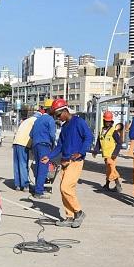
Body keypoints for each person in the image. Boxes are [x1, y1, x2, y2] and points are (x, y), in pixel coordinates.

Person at [41, 98, 93, 228]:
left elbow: (88, 137)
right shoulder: (64, 127)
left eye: (58, 115)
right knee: (64, 189)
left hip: (75, 161)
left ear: (65, 110)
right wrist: (50, 156)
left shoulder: (79, 122)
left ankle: (79, 212)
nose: (58, 118)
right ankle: (69, 216)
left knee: (66, 187)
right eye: (55, 116)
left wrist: (81, 152)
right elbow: (60, 146)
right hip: (64, 161)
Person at [29, 99, 56, 199]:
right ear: (51, 110)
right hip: (44, 146)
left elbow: (31, 134)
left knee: (38, 167)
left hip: (35, 145)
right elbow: (52, 135)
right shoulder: (50, 120)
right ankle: (39, 192)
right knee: (43, 168)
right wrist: (54, 147)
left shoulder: (37, 120)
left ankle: (38, 188)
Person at [93, 111, 122, 192]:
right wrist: (95, 150)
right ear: (104, 121)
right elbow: (99, 142)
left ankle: (118, 185)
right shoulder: (102, 130)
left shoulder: (113, 131)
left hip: (111, 155)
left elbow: (119, 143)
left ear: (111, 121)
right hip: (105, 155)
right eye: (106, 121)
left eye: (109, 121)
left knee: (111, 169)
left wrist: (115, 153)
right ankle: (107, 185)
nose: (108, 123)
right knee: (109, 170)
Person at [13, 111, 41, 191]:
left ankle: (18, 185)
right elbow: (34, 134)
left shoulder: (27, 120)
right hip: (23, 143)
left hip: (16, 142)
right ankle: (25, 185)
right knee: (23, 164)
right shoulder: (35, 121)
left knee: (16, 164)